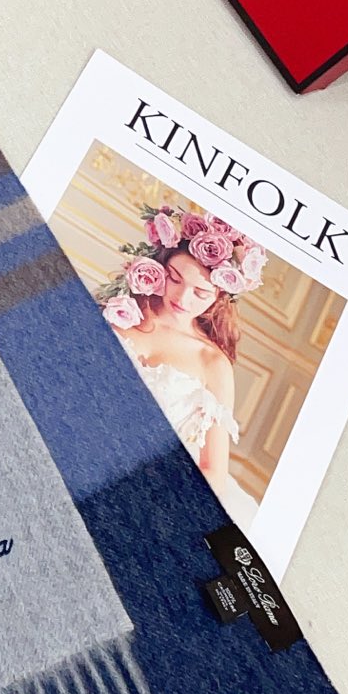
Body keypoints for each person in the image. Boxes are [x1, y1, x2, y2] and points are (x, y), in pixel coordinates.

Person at [97, 205, 262, 526]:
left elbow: (214, 470)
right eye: (175, 278)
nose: (183, 298)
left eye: (200, 292)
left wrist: (157, 505)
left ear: (221, 296)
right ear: (160, 266)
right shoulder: (120, 311)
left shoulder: (211, 362)